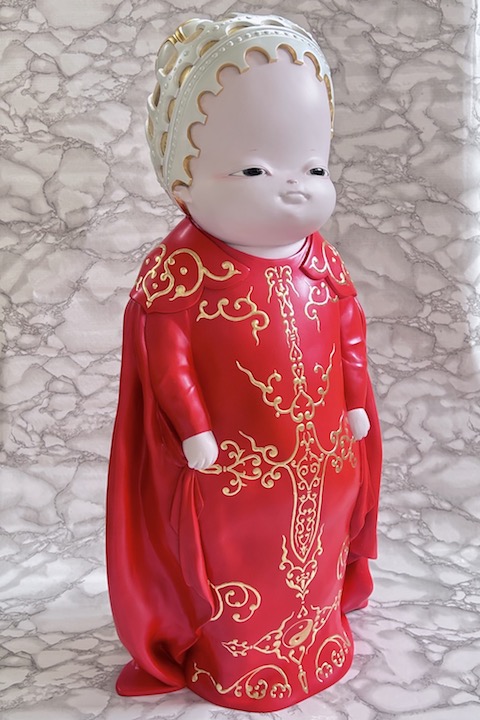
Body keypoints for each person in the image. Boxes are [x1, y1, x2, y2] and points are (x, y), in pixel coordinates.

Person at [106, 13, 382, 712]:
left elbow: (348, 334)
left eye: (314, 169)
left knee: (324, 537)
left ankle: (318, 631)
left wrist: (355, 401)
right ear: (183, 178)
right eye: (255, 169)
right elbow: (166, 359)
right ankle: (237, 654)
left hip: (325, 454)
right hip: (231, 468)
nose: (294, 187)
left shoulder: (321, 262)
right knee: (237, 554)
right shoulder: (182, 271)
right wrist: (193, 428)